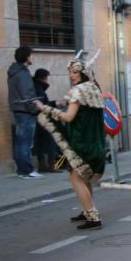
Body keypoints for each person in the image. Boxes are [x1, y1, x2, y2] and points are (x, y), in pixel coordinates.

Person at [34, 50, 106, 229]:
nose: (72, 76)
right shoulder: (94, 89)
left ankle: (93, 216)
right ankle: (86, 210)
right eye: (71, 73)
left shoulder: (78, 91)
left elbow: (68, 117)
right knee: (84, 178)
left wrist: (45, 108)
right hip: (94, 143)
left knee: (76, 179)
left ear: (83, 73)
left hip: (81, 144)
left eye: (75, 72)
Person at [8, 46, 43, 179]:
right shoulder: (22, 73)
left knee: (20, 141)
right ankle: (27, 170)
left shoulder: (14, 72)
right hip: (25, 111)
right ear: (27, 57)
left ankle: (22, 170)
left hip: (18, 110)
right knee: (26, 142)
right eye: (31, 55)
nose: (32, 57)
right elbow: (27, 95)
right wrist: (35, 110)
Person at [32, 68, 62, 173]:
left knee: (40, 142)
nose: (48, 81)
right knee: (51, 141)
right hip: (44, 117)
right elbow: (42, 104)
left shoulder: (36, 87)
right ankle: (51, 165)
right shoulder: (39, 88)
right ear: (43, 78)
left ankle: (43, 165)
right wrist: (53, 105)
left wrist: (53, 103)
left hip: (39, 117)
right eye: (47, 78)